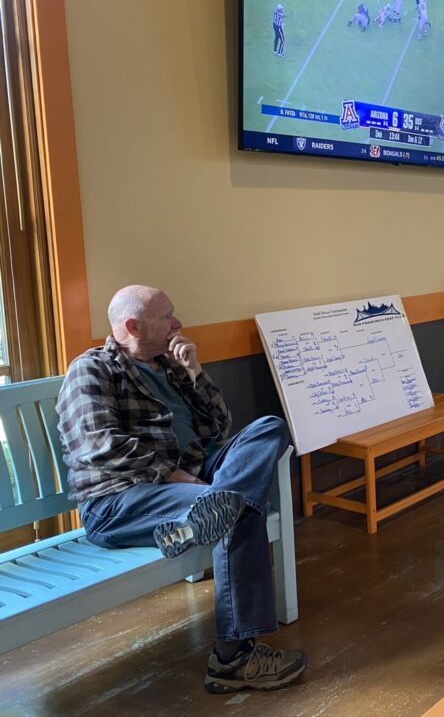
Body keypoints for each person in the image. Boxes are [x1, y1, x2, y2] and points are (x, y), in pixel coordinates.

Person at [56, 285, 307, 694]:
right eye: (167, 317)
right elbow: (99, 446)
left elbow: (219, 428)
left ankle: (208, 513)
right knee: (235, 510)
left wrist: (195, 372)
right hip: (121, 498)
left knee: (269, 428)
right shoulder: (92, 370)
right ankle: (232, 660)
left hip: (194, 477)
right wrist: (177, 478)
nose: (178, 324)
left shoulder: (170, 365)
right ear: (133, 325)